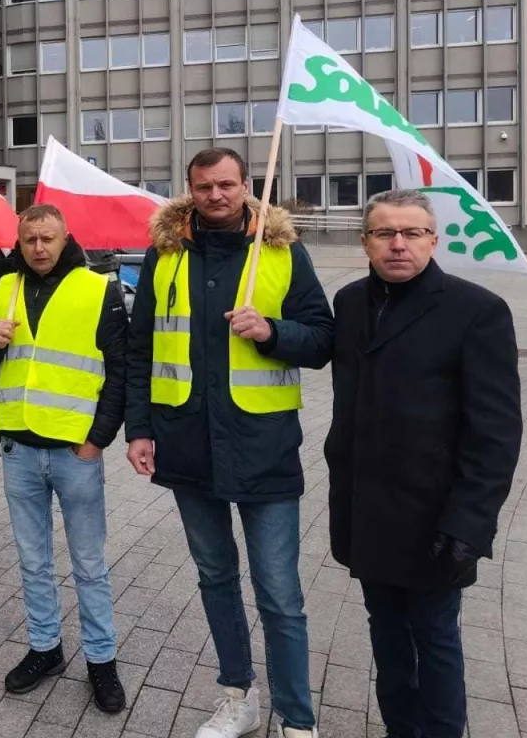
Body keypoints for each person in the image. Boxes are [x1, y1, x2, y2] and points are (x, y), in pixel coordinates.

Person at [124, 148, 333, 738]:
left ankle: (297, 719)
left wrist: (272, 333)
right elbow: (141, 350)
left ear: (246, 185)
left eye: (226, 185)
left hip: (264, 448)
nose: (216, 196)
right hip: (186, 446)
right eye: (203, 187)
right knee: (215, 578)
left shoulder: (281, 252)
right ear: (188, 190)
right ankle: (238, 696)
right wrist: (139, 428)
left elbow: (321, 339)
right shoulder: (164, 255)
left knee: (279, 593)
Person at [326, 189, 522, 738]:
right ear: (364, 241)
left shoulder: (476, 310)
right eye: (384, 233)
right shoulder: (349, 303)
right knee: (386, 638)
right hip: (366, 511)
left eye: (412, 233)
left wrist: (469, 522)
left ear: (433, 240)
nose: (397, 244)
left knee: (435, 640)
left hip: (435, 519)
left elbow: (497, 432)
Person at [0, 203, 129, 714]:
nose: (38, 247)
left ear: (65, 239)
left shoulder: (97, 287)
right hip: (19, 449)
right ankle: (45, 648)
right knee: (33, 562)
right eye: (30, 238)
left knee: (88, 563)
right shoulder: (5, 287)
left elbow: (120, 370)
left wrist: (97, 439)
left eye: (48, 238)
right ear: (19, 240)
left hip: (74, 450)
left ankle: (101, 661)